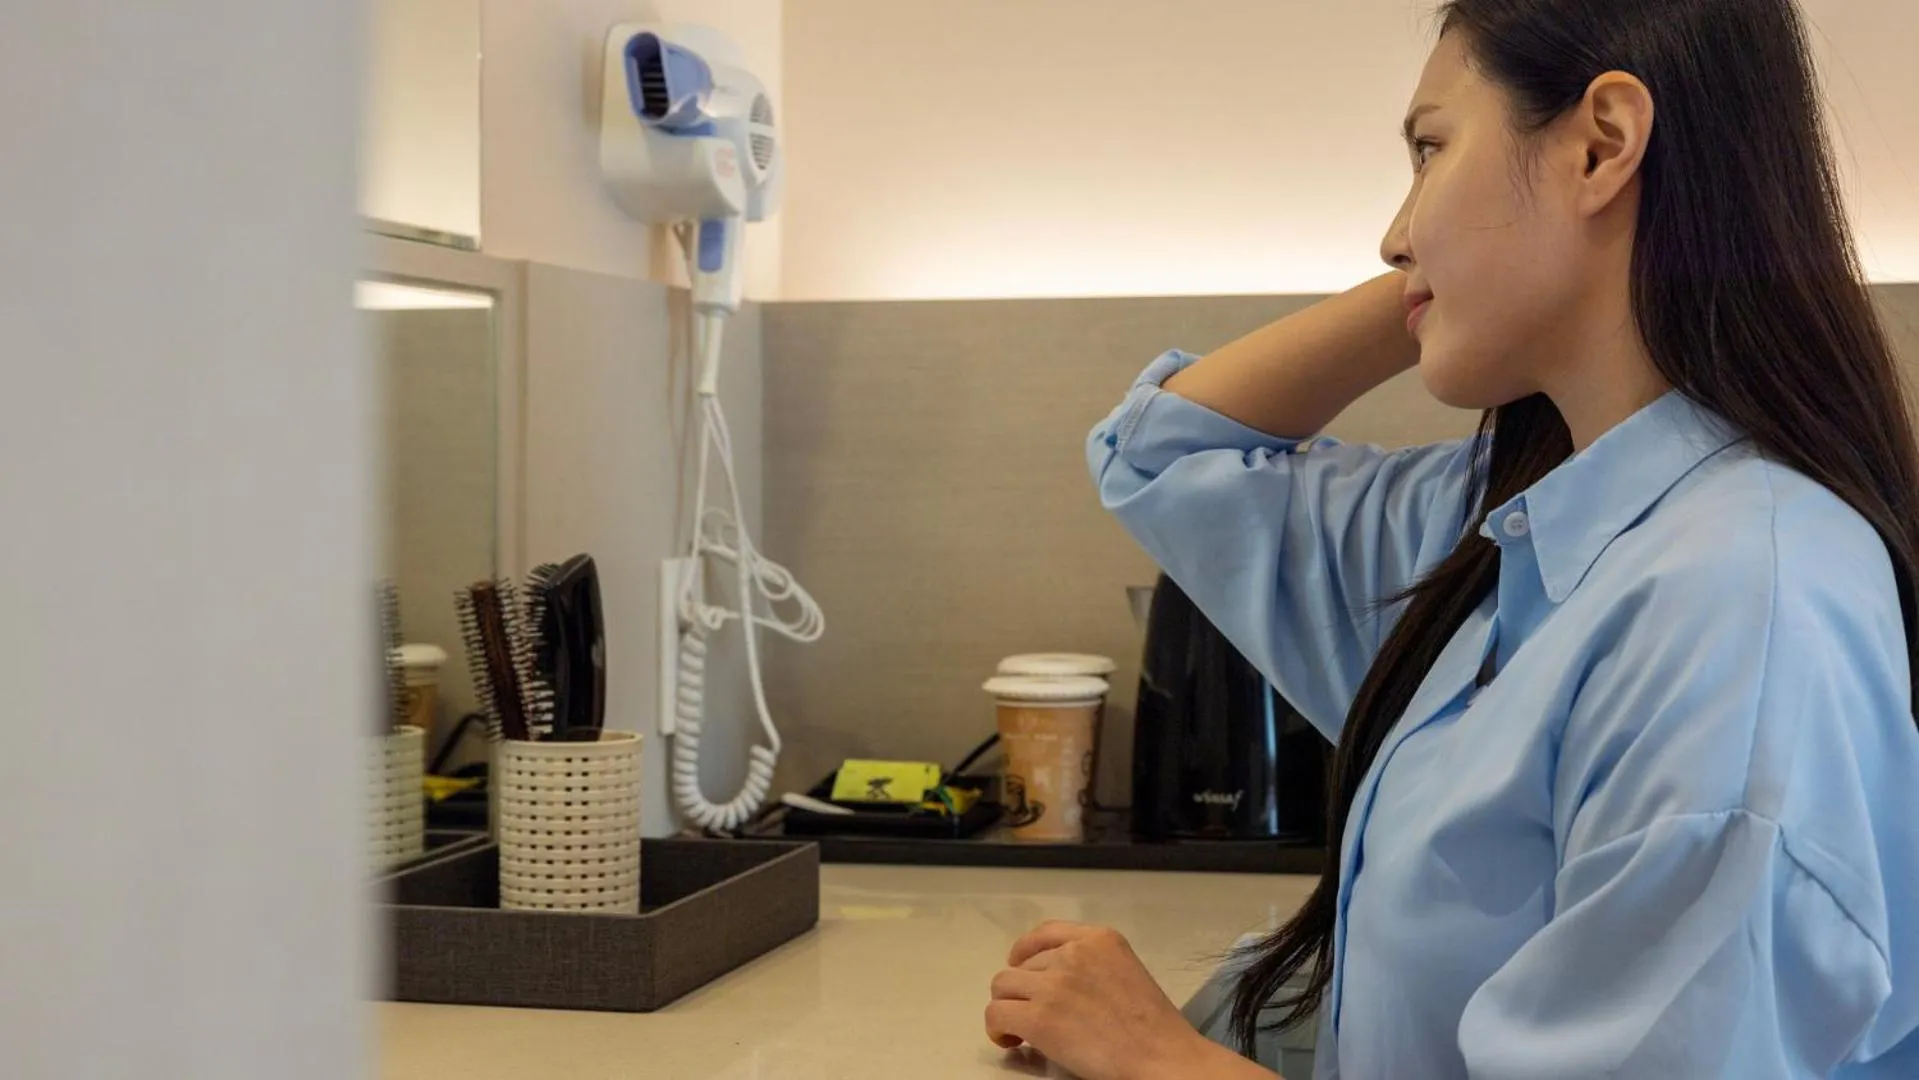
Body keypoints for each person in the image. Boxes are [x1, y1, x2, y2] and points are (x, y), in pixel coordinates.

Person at [981, 1, 1919, 1077]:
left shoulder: (1738, 610)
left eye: (1429, 149)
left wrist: (1156, 1056)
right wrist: (1446, 275)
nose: (1389, 235)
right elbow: (1163, 456)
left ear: (1602, 143)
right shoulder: (1519, 521)